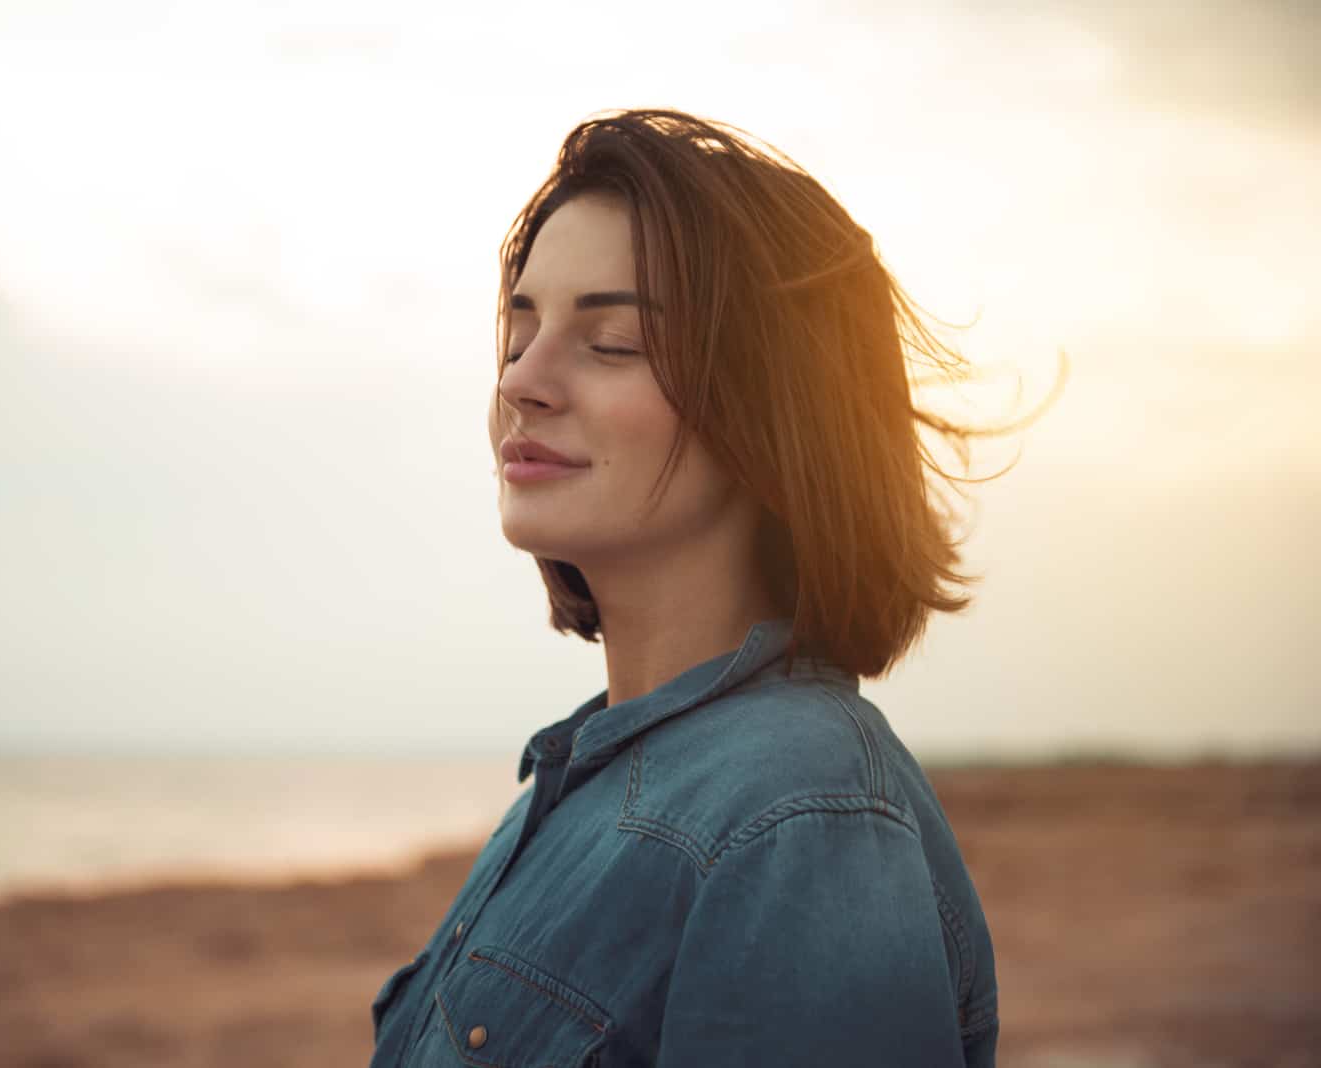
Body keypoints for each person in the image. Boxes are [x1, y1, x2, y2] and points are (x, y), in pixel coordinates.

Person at [369, 107, 1008, 1067]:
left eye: (611, 341)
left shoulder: (798, 819)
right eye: (519, 330)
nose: (522, 383)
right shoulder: (578, 784)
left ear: (773, 408)